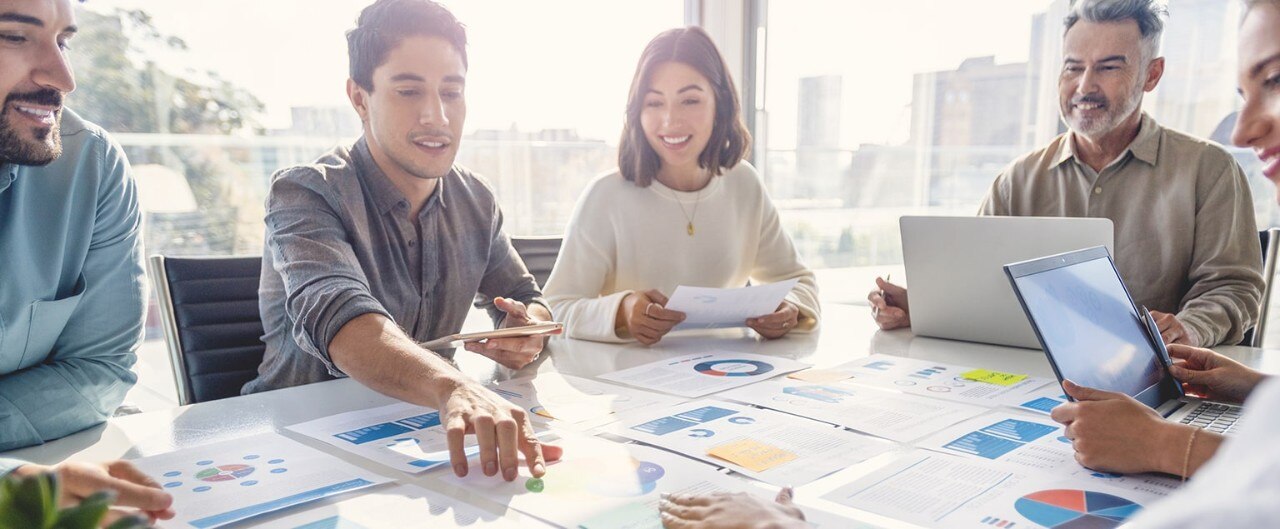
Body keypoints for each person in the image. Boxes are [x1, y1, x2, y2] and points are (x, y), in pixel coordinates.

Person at [241, 0, 560, 481]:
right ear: (359, 98)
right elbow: (344, 324)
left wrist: (528, 333)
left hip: (422, 431)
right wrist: (452, 386)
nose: (437, 116)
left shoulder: (476, 198)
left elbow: (527, 300)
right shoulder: (304, 192)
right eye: (408, 91)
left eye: (451, 92)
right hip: (303, 445)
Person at [870, 0, 1264, 348]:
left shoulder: (1210, 170)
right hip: (1027, 375)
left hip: (1152, 384)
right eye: (1073, 67)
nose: (1084, 86)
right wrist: (923, 310)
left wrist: (1188, 328)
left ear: (1152, 74)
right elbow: (980, 291)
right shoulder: (1018, 179)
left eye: (1108, 68)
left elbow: (1234, 289)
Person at [0, 0, 173, 524]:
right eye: (13, 36)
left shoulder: (90, 165)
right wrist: (12, 482)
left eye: (64, 40)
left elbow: (100, 370)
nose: (64, 77)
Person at [543, 27, 819, 346]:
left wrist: (790, 309)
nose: (671, 120)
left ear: (720, 103)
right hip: (628, 381)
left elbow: (798, 281)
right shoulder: (606, 196)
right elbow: (554, 308)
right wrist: (622, 311)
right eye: (654, 103)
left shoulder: (744, 183)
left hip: (729, 374)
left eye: (689, 100)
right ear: (637, 111)